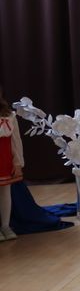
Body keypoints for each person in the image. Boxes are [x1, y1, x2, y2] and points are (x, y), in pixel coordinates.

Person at [0, 93, 25, 241]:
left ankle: (5, 226)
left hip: (4, 159)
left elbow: (16, 141)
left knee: (5, 192)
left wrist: (18, 162)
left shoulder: (9, 115)